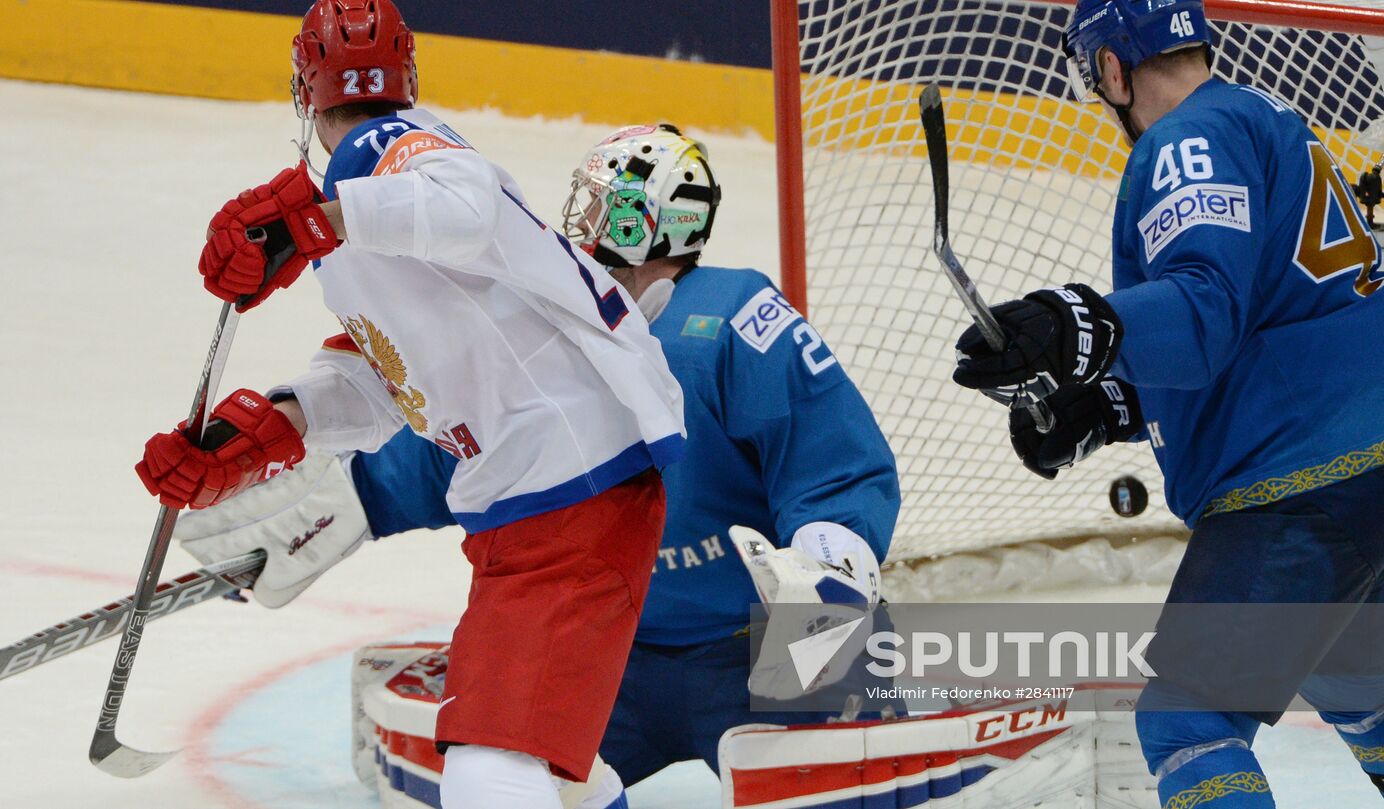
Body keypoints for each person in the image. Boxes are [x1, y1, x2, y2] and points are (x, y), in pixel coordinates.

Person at [173, 123, 902, 795]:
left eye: (602, 204)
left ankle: (922, 684)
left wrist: (828, 561)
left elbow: (831, 458)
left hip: (742, 652)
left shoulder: (732, 313)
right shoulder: (541, 304)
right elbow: (469, 443)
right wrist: (351, 499)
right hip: (611, 654)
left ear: (647, 219)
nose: (579, 218)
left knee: (858, 783)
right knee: (499, 775)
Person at [135, 2, 686, 808]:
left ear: (302, 90)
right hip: (541, 493)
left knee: (489, 769)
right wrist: (266, 430)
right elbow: (391, 378)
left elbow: (466, 207)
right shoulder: (362, 209)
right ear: (412, 71)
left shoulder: (385, 150)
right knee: (557, 773)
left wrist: (318, 220)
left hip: (570, 483)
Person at [950, 0, 1384, 806]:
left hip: (1311, 468)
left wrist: (1075, 322)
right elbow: (1262, 319)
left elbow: (1202, 311)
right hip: (1381, 454)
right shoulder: (1263, 115)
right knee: (1360, 674)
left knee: (1189, 720)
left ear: (1113, 67)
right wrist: (1105, 406)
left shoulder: (1185, 139)